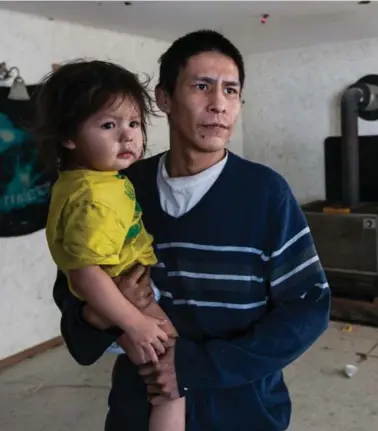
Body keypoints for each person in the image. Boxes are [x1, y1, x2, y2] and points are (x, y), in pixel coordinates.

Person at [52, 30, 331, 431]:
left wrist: (194, 366)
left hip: (244, 411)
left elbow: (309, 306)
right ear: (164, 99)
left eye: (231, 91)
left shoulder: (265, 193)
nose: (219, 104)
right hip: (138, 407)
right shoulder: (120, 186)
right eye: (202, 86)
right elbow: (70, 281)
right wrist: (97, 313)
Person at [34, 60, 184, 431]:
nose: (128, 136)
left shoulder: (91, 180)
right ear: (69, 136)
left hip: (119, 303)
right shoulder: (94, 197)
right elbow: (85, 275)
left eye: (134, 123)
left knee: (151, 377)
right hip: (130, 304)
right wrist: (134, 322)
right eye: (108, 125)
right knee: (172, 387)